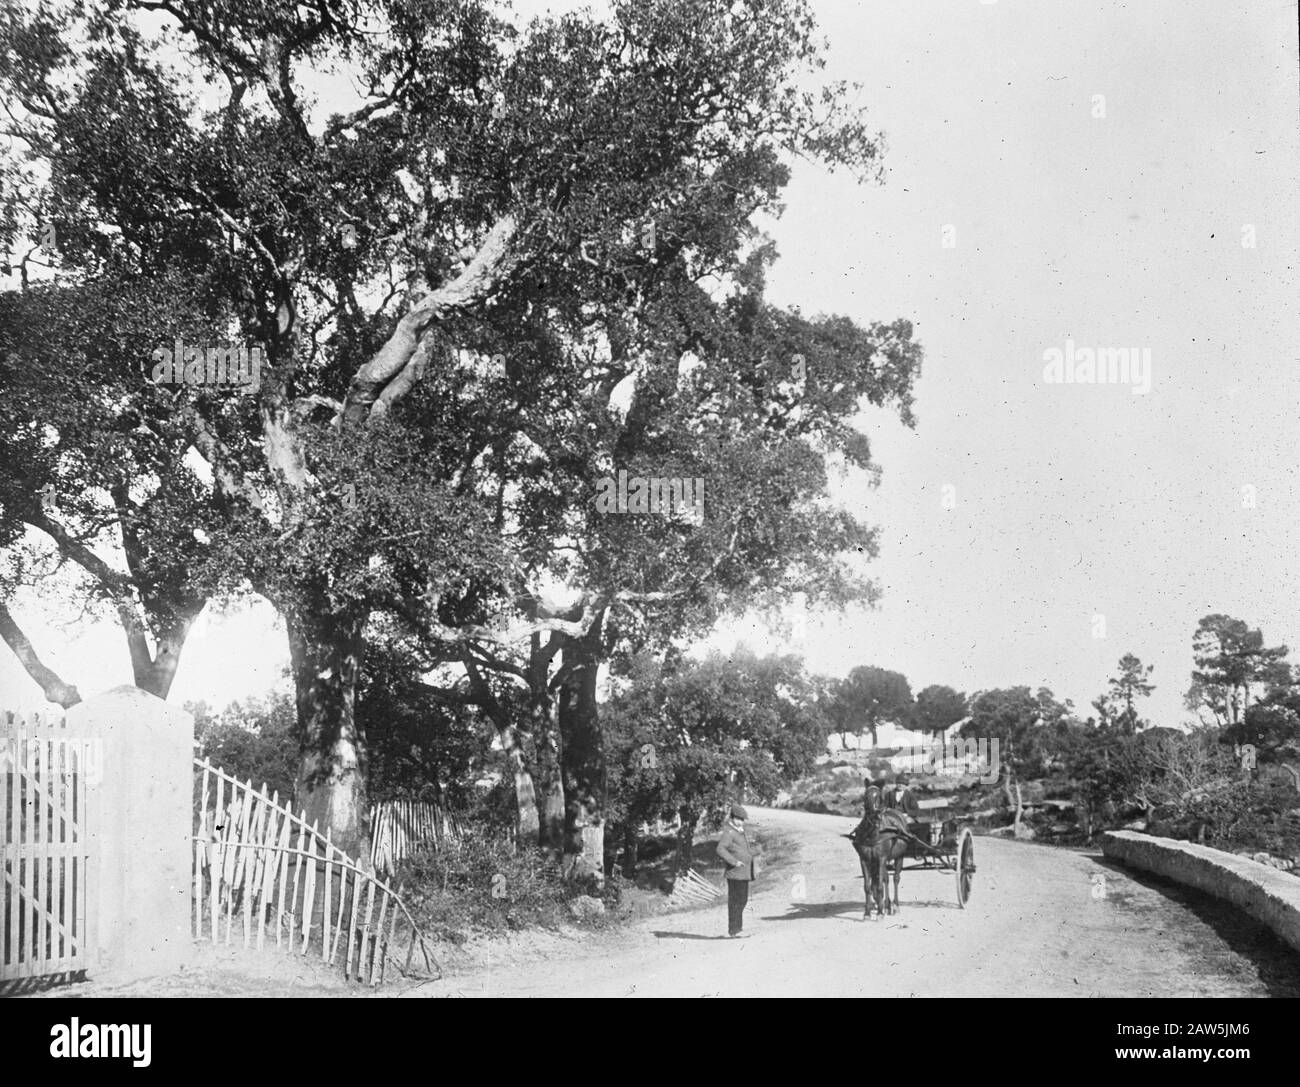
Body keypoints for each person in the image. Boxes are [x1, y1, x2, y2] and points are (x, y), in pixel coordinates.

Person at [715, 803, 755, 938]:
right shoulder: (729, 832)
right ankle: (734, 930)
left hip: (743, 873)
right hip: (735, 873)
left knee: (742, 900)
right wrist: (734, 861)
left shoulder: (739, 832)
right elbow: (720, 849)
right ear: (732, 818)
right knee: (736, 901)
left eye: (742, 819)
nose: (741, 822)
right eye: (738, 819)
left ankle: (737, 928)